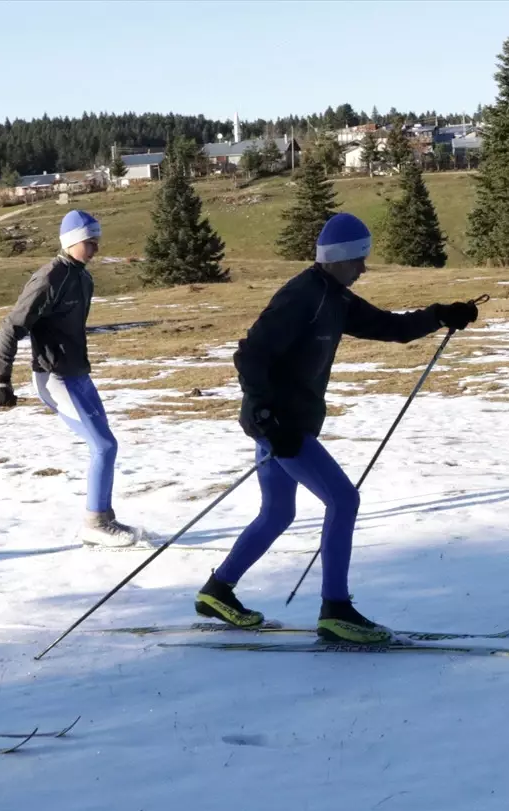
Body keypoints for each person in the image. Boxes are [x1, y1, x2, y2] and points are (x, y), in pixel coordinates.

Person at [193, 212, 480, 644]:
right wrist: (266, 417)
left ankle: (218, 590)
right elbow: (251, 356)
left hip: (289, 422)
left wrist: (441, 314)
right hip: (281, 424)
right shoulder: (303, 296)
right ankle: (336, 608)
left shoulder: (335, 297)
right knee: (344, 500)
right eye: (358, 260)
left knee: (277, 513)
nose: (363, 269)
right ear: (339, 258)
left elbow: (391, 328)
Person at [0, 210, 140, 548]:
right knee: (102, 447)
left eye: (97, 242)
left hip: (79, 375)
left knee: (109, 446)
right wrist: (1, 380)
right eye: (91, 242)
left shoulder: (84, 279)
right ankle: (94, 523)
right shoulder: (49, 278)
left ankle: (104, 517)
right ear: (73, 242)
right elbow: (11, 326)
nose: (96, 248)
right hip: (54, 377)